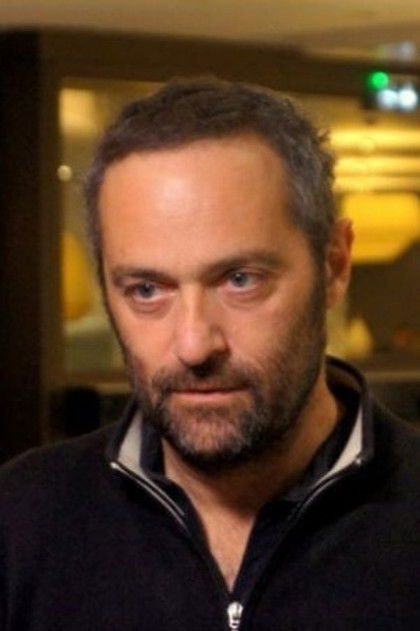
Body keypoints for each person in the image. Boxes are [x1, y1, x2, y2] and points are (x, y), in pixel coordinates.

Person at [1, 78, 419, 631]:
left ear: (335, 266)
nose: (194, 344)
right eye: (147, 290)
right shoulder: (20, 519)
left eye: (240, 280)